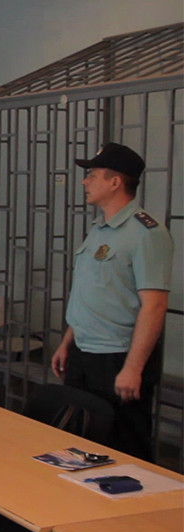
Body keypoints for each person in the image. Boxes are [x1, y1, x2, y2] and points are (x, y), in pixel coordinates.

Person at [51, 143, 173, 460]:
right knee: (80, 444)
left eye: (92, 175)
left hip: (117, 357)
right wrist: (68, 341)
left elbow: (154, 306)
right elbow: (91, 293)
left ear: (115, 181)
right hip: (84, 353)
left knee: (124, 448)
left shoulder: (146, 233)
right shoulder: (99, 229)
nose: (85, 181)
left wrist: (133, 368)